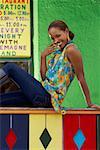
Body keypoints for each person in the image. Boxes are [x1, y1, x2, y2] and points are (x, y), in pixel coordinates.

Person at [0, 20, 100, 114]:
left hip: (48, 97)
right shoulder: (57, 53)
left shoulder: (71, 50)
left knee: (11, 67)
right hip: (41, 96)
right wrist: (43, 56)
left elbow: (81, 77)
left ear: (66, 31)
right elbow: (44, 78)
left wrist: (89, 103)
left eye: (58, 36)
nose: (56, 40)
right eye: (52, 38)